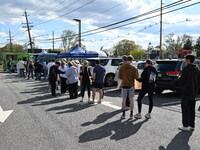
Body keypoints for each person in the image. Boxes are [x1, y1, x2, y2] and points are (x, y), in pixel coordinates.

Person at [178, 55, 200, 131]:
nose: (185, 61)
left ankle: (185, 125)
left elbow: (181, 81)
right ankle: (192, 125)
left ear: (188, 60)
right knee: (192, 109)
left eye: (185, 59)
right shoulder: (197, 69)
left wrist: (178, 80)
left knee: (185, 109)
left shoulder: (185, 69)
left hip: (186, 92)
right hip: (194, 92)